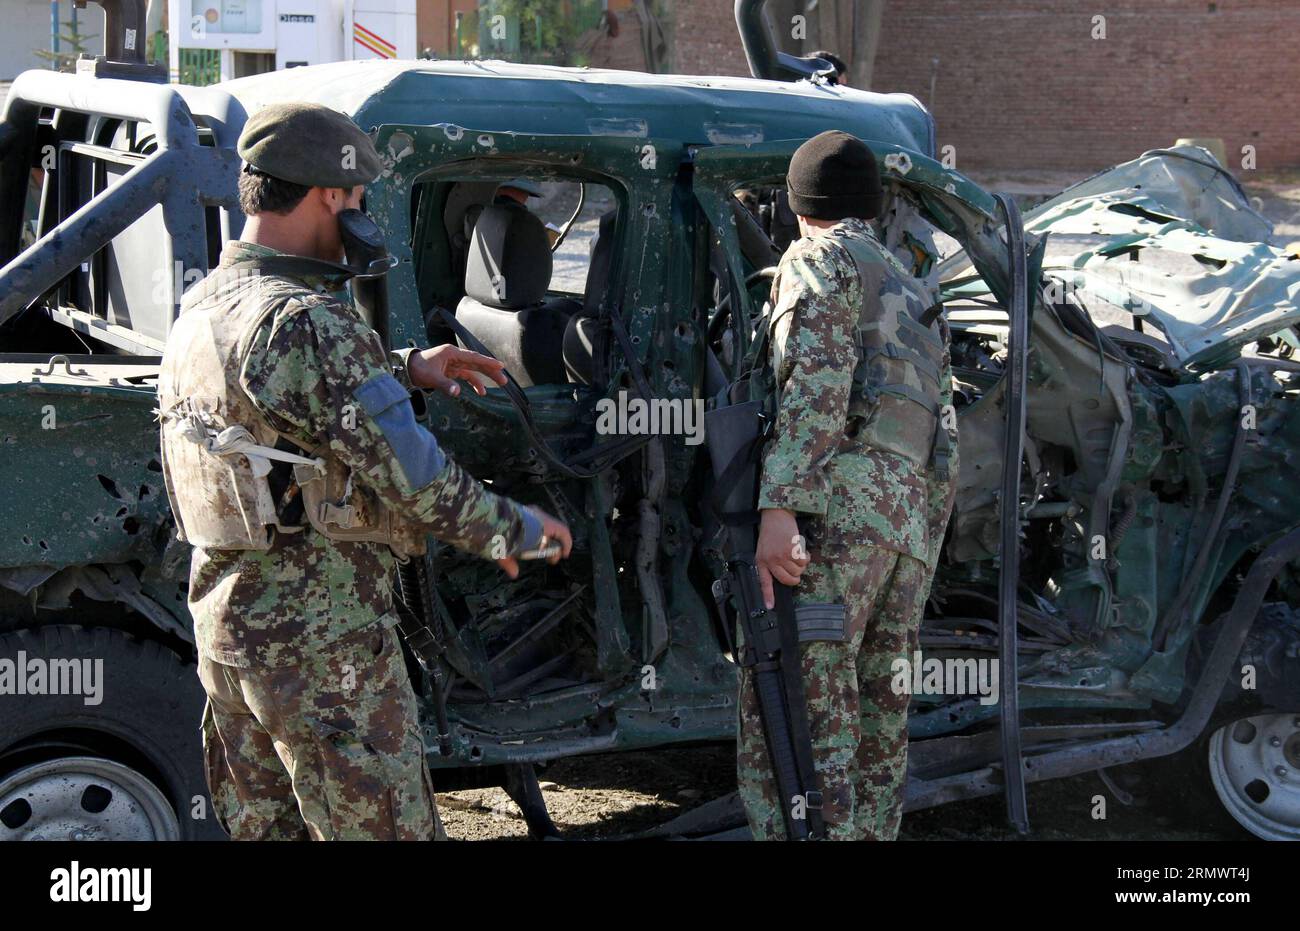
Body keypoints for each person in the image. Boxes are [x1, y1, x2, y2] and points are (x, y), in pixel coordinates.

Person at [156, 102, 572, 841]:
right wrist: (516, 531)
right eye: (356, 202)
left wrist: (405, 368)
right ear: (327, 198)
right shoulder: (310, 321)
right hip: (327, 657)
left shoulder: (206, 304)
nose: (361, 219)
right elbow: (420, 482)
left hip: (230, 640)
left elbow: (273, 402)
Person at [736, 130, 958, 840]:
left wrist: (779, 510)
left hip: (832, 524)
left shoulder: (817, 259)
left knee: (803, 718)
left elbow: (816, 390)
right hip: (906, 533)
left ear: (801, 207)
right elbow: (946, 440)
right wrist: (919, 543)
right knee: (877, 729)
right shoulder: (915, 288)